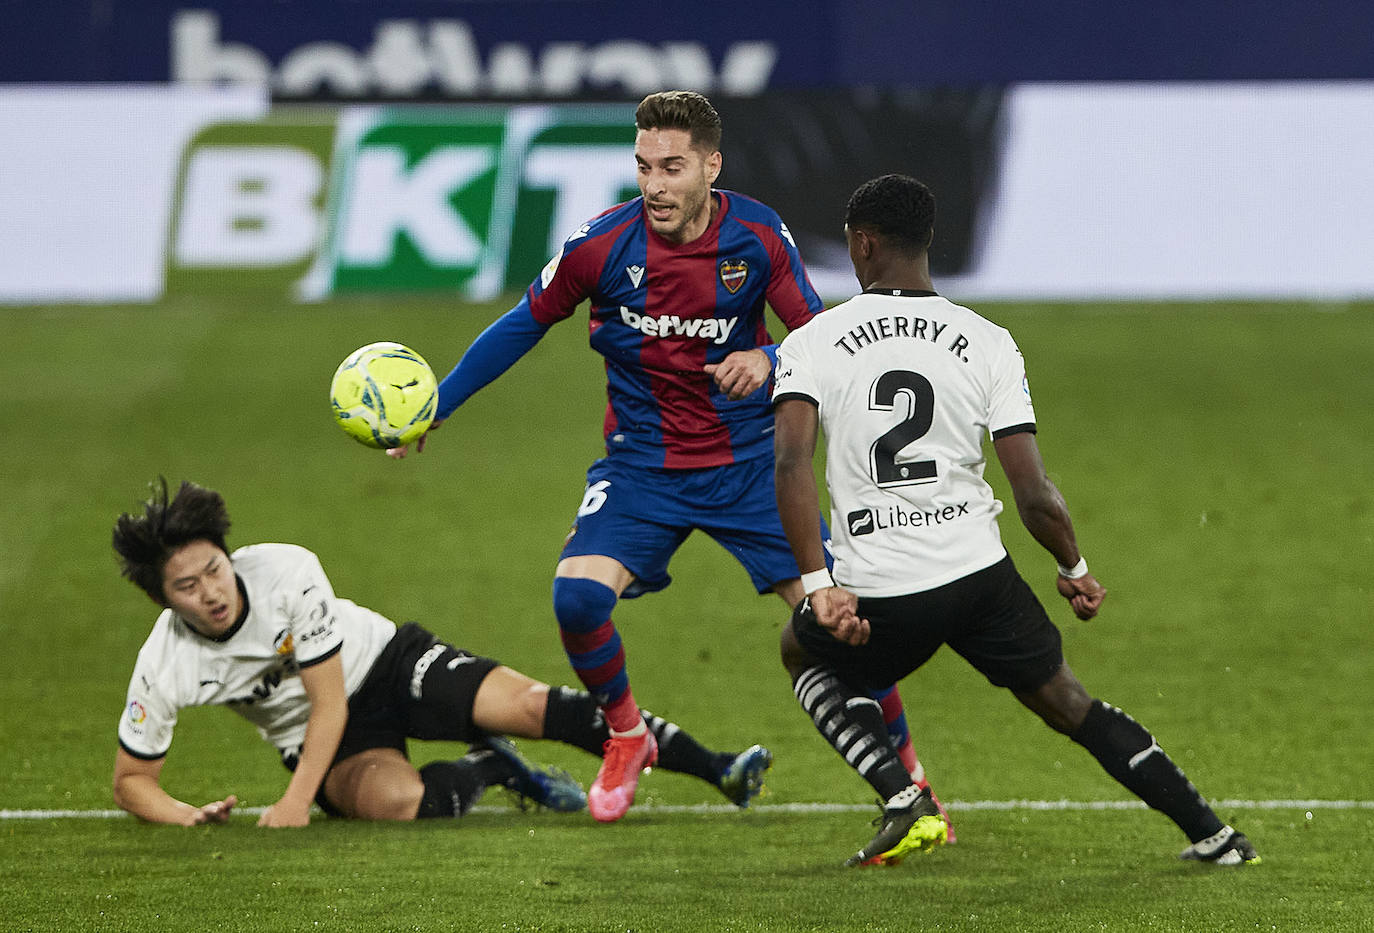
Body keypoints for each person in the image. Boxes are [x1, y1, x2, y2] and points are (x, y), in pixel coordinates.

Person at [388, 90, 946, 826]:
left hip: (750, 469)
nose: (654, 184)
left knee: (843, 626)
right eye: (644, 166)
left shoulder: (757, 237)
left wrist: (769, 357)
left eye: (672, 167)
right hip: (640, 469)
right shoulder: (601, 245)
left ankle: (911, 776)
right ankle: (625, 733)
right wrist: (440, 402)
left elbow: (824, 337)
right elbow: (524, 322)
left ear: (710, 166)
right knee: (577, 598)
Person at [772, 173, 1261, 868]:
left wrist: (819, 583)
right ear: (927, 243)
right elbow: (1034, 493)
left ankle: (899, 794)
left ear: (863, 244)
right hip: (978, 575)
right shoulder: (990, 341)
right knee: (1068, 701)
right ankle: (1214, 834)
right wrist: (1075, 569)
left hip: (885, 586)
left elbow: (790, 462)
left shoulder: (813, 342)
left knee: (803, 651)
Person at [110, 479, 772, 827]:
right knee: (399, 805)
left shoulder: (284, 570)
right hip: (324, 739)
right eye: (187, 586)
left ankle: (718, 769)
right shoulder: (166, 661)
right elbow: (132, 780)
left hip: (388, 664)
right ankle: (494, 769)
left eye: (214, 570)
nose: (211, 592)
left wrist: (293, 803)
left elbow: (330, 698)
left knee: (532, 704)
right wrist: (185, 815)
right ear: (164, 599)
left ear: (229, 557)